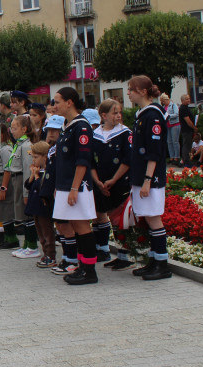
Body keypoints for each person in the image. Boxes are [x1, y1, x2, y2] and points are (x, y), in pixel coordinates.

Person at [50, 87, 99, 285]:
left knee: (81, 226)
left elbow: (83, 160)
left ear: (69, 102)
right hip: (66, 184)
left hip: (77, 186)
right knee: (75, 227)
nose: (54, 106)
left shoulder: (82, 126)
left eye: (57, 102)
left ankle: (90, 271)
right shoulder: (67, 125)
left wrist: (73, 188)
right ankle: (82, 266)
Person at [127, 75, 171, 281]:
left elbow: (154, 152)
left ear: (143, 92)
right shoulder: (143, 114)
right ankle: (154, 260)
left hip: (150, 177)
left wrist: (147, 179)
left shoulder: (153, 115)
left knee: (154, 217)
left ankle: (162, 264)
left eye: (131, 90)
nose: (128, 93)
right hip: (141, 175)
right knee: (148, 217)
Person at [89, 99, 133, 270]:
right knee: (100, 214)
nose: (119, 116)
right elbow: (91, 161)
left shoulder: (124, 133)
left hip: (119, 182)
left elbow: (128, 159)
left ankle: (125, 255)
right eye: (115, 113)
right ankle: (102, 248)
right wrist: (98, 182)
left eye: (119, 112)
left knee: (118, 219)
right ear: (103, 115)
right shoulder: (96, 134)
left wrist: (114, 180)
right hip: (100, 183)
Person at [8, 114, 40, 258]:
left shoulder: (26, 146)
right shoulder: (19, 144)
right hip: (17, 180)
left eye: (14, 128)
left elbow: (28, 170)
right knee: (23, 215)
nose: (11, 131)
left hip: (23, 181)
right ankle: (26, 244)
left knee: (28, 216)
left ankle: (32, 245)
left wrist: (27, 192)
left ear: (24, 129)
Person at [161, 93, 180, 164]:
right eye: (162, 101)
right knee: (169, 141)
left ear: (167, 100)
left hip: (175, 124)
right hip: (167, 125)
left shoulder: (173, 105)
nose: (163, 102)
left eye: (164, 101)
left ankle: (176, 156)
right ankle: (171, 156)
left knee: (175, 141)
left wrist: (168, 116)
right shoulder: (163, 107)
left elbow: (176, 114)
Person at [178, 95, 196, 168]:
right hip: (186, 130)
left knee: (188, 145)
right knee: (186, 146)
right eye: (186, 99)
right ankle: (186, 161)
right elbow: (187, 120)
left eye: (189, 98)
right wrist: (194, 127)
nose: (188, 100)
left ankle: (187, 160)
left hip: (188, 130)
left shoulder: (186, 107)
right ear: (182, 101)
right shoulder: (183, 108)